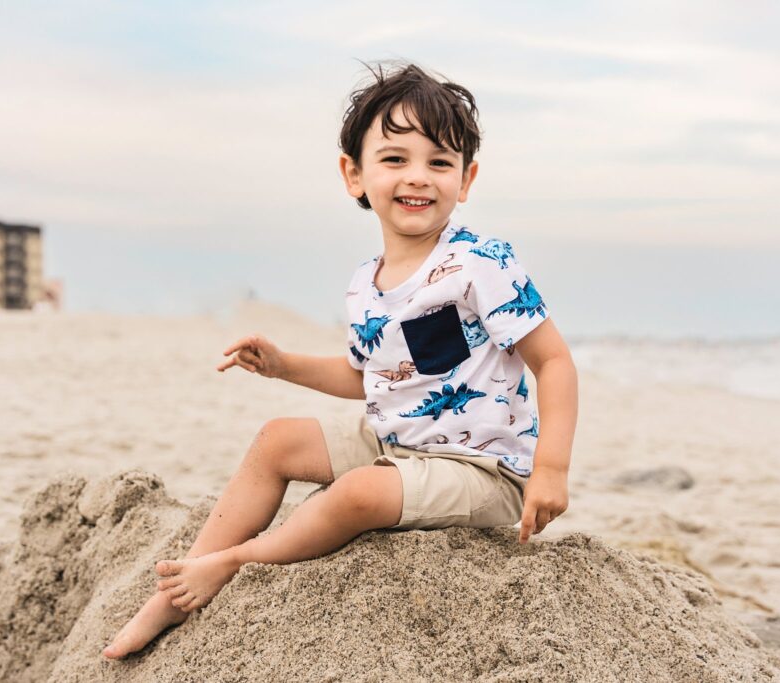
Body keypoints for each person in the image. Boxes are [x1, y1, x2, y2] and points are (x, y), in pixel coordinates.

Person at [103, 62, 578, 660]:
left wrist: (551, 469)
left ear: (466, 178)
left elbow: (554, 361)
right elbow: (370, 379)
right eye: (395, 159)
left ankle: (232, 562)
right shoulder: (365, 284)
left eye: (439, 162)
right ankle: (178, 586)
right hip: (401, 439)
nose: (418, 177)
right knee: (277, 439)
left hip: (484, 467)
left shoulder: (481, 261)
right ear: (354, 174)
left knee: (357, 493)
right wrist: (283, 366)